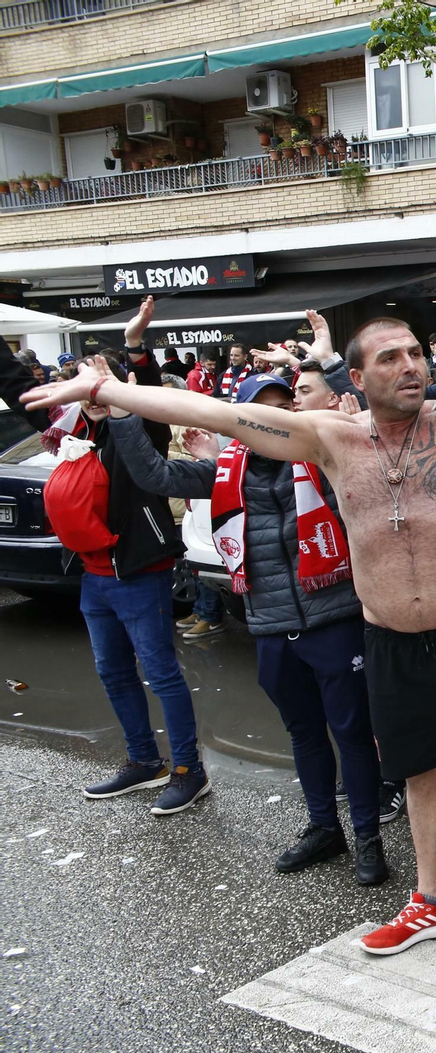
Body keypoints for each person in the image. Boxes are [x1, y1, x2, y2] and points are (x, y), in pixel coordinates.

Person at [23, 253, 436, 974]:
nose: (410, 366)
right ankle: (432, 900)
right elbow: (215, 413)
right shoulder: (329, 440)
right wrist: (113, 389)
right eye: (391, 357)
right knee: (418, 772)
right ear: (360, 375)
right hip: (391, 641)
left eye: (415, 352)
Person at [106, 345, 392, 884]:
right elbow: (154, 474)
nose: (274, 417)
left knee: (353, 734)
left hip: (336, 620)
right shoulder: (223, 472)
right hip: (271, 627)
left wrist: (336, 378)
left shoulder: (327, 459)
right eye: (261, 408)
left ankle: (369, 840)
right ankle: (324, 830)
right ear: (243, 420)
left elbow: (376, 436)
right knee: (304, 734)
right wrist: (122, 415)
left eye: (283, 406)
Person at [34, 299, 207, 816]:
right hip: (94, 576)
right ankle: (142, 761)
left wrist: (134, 348)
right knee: (112, 671)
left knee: (161, 671)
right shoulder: (76, 435)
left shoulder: (138, 428)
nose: (88, 397)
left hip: (142, 574)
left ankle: (187, 771)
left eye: (96, 386)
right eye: (81, 386)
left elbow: (150, 396)